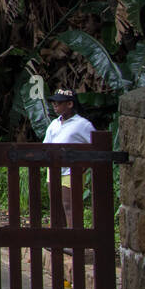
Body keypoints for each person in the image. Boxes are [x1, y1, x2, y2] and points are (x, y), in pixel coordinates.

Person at [44, 88, 94, 230]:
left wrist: (84, 164)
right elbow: (46, 145)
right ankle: (59, 236)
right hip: (53, 169)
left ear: (70, 104)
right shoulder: (54, 123)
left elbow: (95, 146)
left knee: (69, 205)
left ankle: (74, 239)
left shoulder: (82, 124)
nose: (55, 105)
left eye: (59, 103)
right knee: (55, 204)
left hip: (71, 171)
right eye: (53, 102)